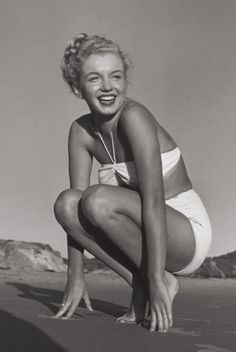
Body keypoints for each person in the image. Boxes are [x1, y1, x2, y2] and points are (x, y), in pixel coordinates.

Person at [54, 33, 212, 333]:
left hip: (185, 231)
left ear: (125, 80)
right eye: (94, 78)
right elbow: (74, 209)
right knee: (67, 203)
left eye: (116, 76)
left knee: (97, 199)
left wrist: (155, 278)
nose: (107, 87)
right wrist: (75, 276)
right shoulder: (80, 132)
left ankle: (154, 281)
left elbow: (153, 201)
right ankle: (143, 282)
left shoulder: (134, 116)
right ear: (78, 88)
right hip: (144, 229)